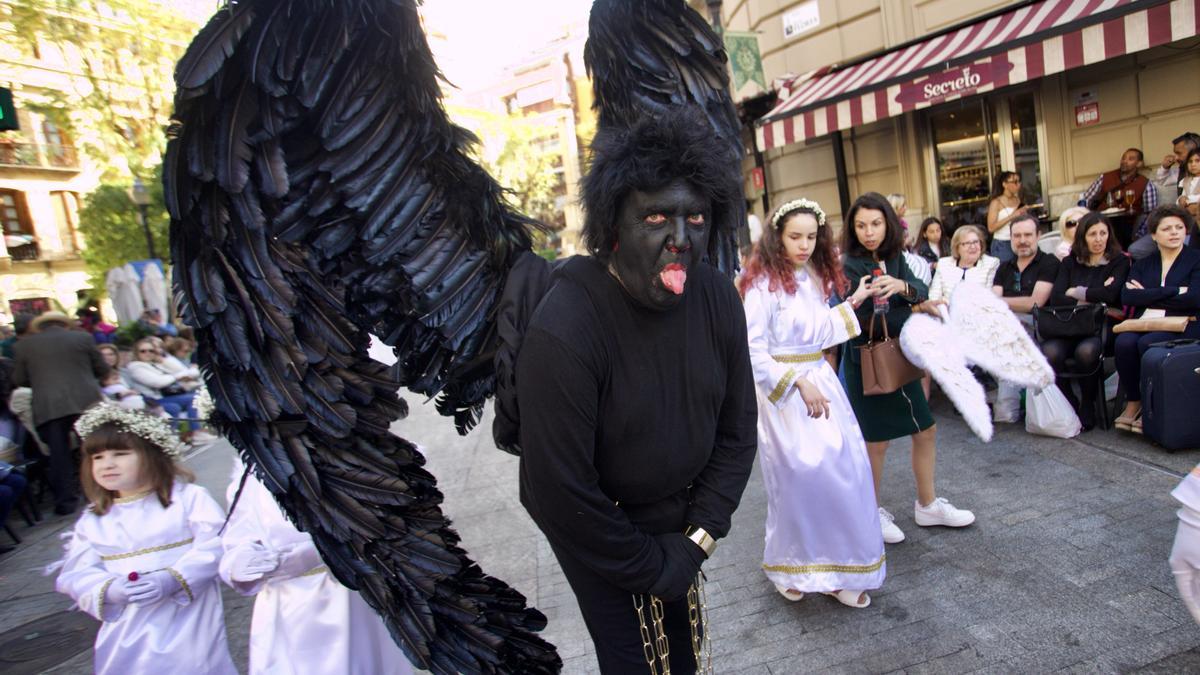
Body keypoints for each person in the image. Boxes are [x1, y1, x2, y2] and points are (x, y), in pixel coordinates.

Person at [515, 114, 757, 674]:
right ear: (615, 227)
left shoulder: (718, 297)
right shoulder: (566, 329)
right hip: (597, 524)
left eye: (695, 216)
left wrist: (697, 540)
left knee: (684, 656)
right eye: (656, 216)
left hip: (683, 514)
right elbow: (559, 489)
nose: (680, 237)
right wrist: (651, 565)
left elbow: (738, 430)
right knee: (635, 661)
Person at [739, 198, 884, 609]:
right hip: (784, 394)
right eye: (795, 237)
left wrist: (852, 302)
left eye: (811, 236)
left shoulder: (814, 277)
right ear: (777, 237)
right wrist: (798, 382)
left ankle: (842, 571)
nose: (804, 245)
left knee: (847, 471)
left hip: (821, 384)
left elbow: (817, 333)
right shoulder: (761, 285)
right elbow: (751, 351)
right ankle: (790, 566)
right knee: (800, 479)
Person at [53, 403, 236, 674]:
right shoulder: (94, 519)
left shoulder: (187, 498)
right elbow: (74, 573)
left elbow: (217, 542)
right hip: (127, 627)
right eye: (97, 457)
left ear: (152, 455)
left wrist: (173, 577)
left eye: (120, 453)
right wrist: (109, 589)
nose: (108, 464)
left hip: (187, 615)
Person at [840, 192, 974, 546]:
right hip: (865, 361)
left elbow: (921, 290)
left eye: (876, 223)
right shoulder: (847, 264)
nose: (869, 232)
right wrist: (906, 307)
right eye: (862, 225)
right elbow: (853, 318)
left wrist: (903, 287)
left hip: (900, 355)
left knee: (925, 429)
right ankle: (871, 512)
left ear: (887, 223)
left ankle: (927, 504)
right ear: (853, 229)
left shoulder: (896, 256)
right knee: (876, 442)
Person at [220, 459, 414, 674]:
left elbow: (375, 522)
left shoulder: (332, 458)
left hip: (344, 594)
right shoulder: (248, 477)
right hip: (284, 609)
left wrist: (314, 554)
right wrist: (237, 563)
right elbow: (237, 536)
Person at [1041, 212, 1131, 431]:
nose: (1099, 239)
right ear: (1082, 237)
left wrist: (1077, 291)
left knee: (1087, 352)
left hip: (1103, 325)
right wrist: (1094, 293)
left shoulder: (1118, 261)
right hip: (1070, 325)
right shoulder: (1071, 262)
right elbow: (1058, 297)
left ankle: (1089, 403)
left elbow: (1111, 295)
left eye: (1103, 233)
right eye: (1093, 234)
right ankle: (1070, 400)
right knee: (1049, 353)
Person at [11, 311, 108, 515]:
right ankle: (101, 491)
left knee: (59, 455)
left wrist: (43, 382)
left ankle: (66, 501)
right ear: (65, 324)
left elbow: (19, 379)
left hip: (49, 405)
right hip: (85, 400)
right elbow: (101, 368)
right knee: (95, 448)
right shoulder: (82, 337)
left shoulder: (24, 345)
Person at [1114, 206, 1200, 433]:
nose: (1174, 233)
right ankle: (1135, 401)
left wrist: (1148, 294)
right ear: (1154, 235)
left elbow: (1194, 298)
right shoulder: (1144, 263)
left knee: (1146, 343)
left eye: (1179, 228)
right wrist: (1175, 291)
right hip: (1147, 322)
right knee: (1123, 343)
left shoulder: (1196, 259)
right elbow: (1128, 295)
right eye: (1167, 228)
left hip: (1188, 323)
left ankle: (1153, 405)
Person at [991, 214, 1060, 422]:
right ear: (1010, 238)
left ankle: (1007, 408)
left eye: (1028, 235)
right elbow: (992, 303)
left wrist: (1003, 302)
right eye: (1017, 235)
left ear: (1038, 236)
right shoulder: (1004, 267)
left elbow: (1035, 303)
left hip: (1037, 324)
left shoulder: (1049, 263)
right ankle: (1008, 406)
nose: (1022, 240)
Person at [124, 338, 208, 441]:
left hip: (168, 396)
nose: (147, 353)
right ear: (136, 353)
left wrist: (163, 359)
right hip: (152, 401)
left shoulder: (155, 363)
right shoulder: (135, 367)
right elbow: (158, 382)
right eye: (143, 351)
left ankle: (191, 433)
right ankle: (184, 436)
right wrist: (178, 376)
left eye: (151, 350)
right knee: (182, 403)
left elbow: (184, 371)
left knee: (195, 396)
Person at [928, 224, 1000, 302]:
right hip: (945, 311)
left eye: (976, 242)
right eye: (967, 243)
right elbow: (933, 297)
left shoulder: (991, 263)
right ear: (957, 247)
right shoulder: (943, 264)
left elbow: (988, 298)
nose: (973, 246)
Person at [986, 171, 1028, 263]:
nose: (1018, 185)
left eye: (1019, 181)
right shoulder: (996, 202)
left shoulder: (1017, 200)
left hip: (1017, 241)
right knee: (1006, 273)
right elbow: (991, 228)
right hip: (1002, 243)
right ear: (1005, 184)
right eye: (1014, 182)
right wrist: (1013, 216)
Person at [1153, 132, 1200, 205]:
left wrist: (1188, 200)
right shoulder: (1182, 171)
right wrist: (1165, 168)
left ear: (1193, 150)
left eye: (1179, 153)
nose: (1176, 157)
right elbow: (1163, 181)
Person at [1177, 148, 1200, 218]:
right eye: (1190, 161)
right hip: (1189, 216)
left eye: (1197, 161)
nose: (1193, 164)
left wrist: (1187, 199)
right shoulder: (1185, 180)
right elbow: (1183, 195)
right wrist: (1180, 199)